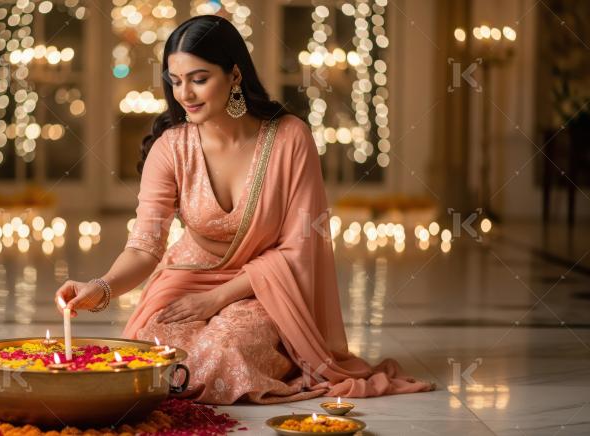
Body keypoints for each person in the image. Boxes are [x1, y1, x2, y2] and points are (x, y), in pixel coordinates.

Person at [55, 15, 433, 405]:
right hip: (187, 279)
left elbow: (299, 249)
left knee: (224, 351)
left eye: (199, 79)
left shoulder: (289, 138)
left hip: (267, 287)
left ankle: (277, 356)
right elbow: (143, 247)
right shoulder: (171, 148)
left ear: (234, 75)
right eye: (175, 80)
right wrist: (101, 288)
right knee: (157, 353)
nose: (185, 94)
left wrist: (216, 299)